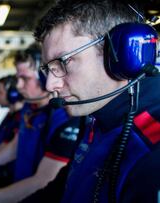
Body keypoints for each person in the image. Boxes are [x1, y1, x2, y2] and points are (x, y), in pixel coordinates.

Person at [32, 0, 160, 202]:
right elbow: (61, 189)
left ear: (119, 54)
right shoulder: (95, 117)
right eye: (49, 69)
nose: (50, 85)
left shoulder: (152, 146)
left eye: (63, 62)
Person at [0, 47, 81, 203]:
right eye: (17, 78)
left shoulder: (64, 117)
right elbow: (14, 149)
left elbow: (43, 181)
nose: (19, 85)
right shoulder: (30, 109)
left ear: (44, 79)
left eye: (25, 79)